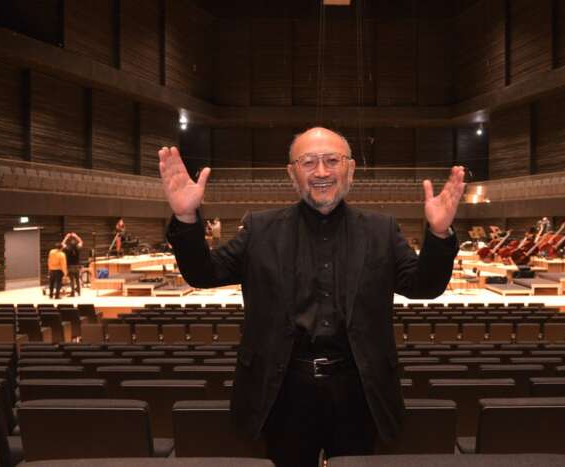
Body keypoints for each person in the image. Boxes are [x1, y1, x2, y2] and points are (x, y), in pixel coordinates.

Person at [159, 127, 465, 467]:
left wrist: (439, 234)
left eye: (332, 161)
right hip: (282, 390)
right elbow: (204, 274)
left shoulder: (381, 230)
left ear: (351, 169)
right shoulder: (260, 229)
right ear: (292, 173)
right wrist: (186, 219)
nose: (321, 172)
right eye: (309, 162)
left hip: (359, 389)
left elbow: (424, 286)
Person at [61, 232, 83, 296]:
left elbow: (62, 244)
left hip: (70, 266)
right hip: (77, 266)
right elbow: (81, 242)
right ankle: (79, 292)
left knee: (72, 280)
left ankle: (72, 293)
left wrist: (66, 237)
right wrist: (76, 236)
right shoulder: (77, 248)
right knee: (77, 279)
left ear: (70, 244)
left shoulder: (68, 248)